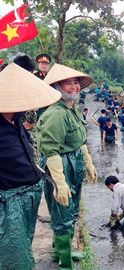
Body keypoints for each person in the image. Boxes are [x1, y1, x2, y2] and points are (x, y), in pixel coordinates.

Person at [0, 63, 61, 270]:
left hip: (29, 196)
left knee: (24, 244)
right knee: (15, 258)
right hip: (9, 201)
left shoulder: (16, 120)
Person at [37, 63, 97, 270]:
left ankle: (61, 250)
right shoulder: (56, 114)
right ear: (57, 86)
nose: (74, 87)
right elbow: (51, 151)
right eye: (68, 83)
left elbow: (79, 140)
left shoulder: (71, 109)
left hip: (75, 162)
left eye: (76, 83)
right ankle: (65, 264)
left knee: (71, 210)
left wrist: (88, 161)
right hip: (60, 165)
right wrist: (59, 184)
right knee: (62, 211)